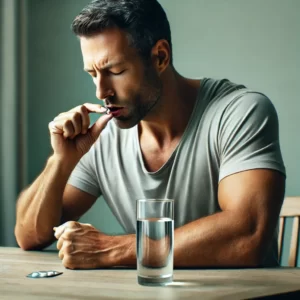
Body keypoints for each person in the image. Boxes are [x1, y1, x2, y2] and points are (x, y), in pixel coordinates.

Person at [15, 0, 286, 270]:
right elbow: (29, 236)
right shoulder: (101, 136)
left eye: (115, 71)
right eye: (93, 74)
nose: (101, 92)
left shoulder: (240, 112)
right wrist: (60, 161)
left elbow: (247, 237)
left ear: (160, 57)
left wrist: (112, 249)